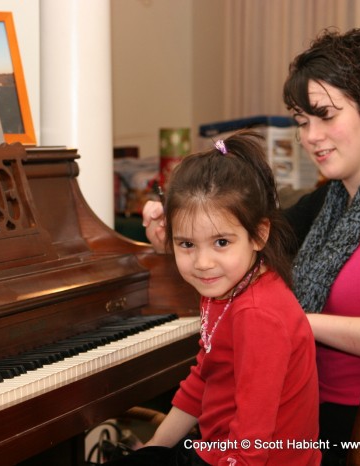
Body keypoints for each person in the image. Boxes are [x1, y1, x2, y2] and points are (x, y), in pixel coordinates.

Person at [143, 28, 360, 466]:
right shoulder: (322, 205)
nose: (310, 137)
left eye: (325, 116)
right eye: (302, 122)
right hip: (319, 424)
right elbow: (237, 248)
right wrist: (176, 232)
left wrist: (299, 323)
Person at [111, 131, 320, 466]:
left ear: (258, 235)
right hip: (220, 447)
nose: (203, 263)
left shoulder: (258, 316)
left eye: (221, 242)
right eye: (187, 244)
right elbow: (202, 382)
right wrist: (154, 446)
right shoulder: (227, 285)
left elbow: (250, 449)